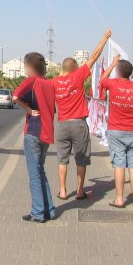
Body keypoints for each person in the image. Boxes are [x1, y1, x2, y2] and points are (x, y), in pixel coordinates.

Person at [52, 28, 112, 201]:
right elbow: (93, 56)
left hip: (62, 124)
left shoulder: (54, 82)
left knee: (62, 159)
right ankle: (79, 191)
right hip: (78, 124)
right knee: (81, 160)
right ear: (75, 68)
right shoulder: (77, 77)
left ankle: (62, 190)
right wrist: (104, 37)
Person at [100, 56, 133, 208]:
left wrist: (112, 64)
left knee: (119, 164)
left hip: (116, 131)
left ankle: (119, 199)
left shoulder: (113, 83)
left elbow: (102, 79)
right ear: (130, 73)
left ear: (117, 72)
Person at [13, 52, 56, 223]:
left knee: (34, 175)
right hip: (47, 133)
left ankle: (38, 212)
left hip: (34, 131)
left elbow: (15, 97)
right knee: (40, 171)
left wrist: (28, 110)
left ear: (29, 67)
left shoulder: (32, 81)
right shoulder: (49, 84)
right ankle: (49, 209)